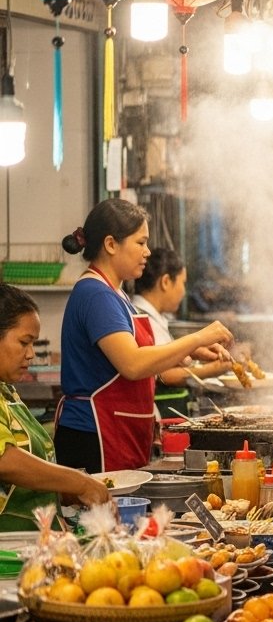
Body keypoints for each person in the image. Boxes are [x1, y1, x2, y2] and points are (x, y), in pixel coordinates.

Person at [55, 199, 233, 473]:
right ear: (111, 244)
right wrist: (197, 338)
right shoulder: (96, 294)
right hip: (95, 434)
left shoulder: (116, 294)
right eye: (140, 242)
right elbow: (133, 363)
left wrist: (190, 352)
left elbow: (140, 358)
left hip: (118, 429)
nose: (147, 252)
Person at [0, 285, 110, 529]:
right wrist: (78, 482)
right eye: (24, 342)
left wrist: (64, 492)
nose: (31, 354)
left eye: (33, 344)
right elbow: (5, 461)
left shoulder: (7, 392)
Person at [131, 248, 232, 391]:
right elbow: (162, 374)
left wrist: (193, 351)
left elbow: (166, 358)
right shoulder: (142, 318)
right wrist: (212, 369)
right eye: (183, 282)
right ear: (165, 282)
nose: (184, 291)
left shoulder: (155, 316)